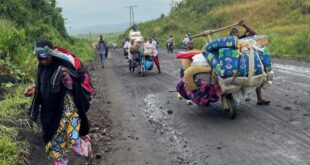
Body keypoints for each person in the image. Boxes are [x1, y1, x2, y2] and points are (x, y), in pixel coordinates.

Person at [24, 40, 93, 165]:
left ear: (52, 54)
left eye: (46, 58)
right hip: (49, 111)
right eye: (40, 59)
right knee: (55, 145)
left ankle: (86, 150)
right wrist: (34, 89)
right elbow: (43, 85)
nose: (43, 61)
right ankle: (61, 161)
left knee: (72, 140)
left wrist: (65, 77)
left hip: (66, 110)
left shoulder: (63, 65)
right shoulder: (42, 67)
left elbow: (74, 86)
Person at [230, 20, 270, 105]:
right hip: (237, 65)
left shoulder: (242, 39)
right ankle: (242, 96)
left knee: (257, 75)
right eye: (233, 33)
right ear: (230, 35)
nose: (235, 34)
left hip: (247, 62)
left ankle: (260, 99)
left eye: (236, 32)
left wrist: (244, 25)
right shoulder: (228, 43)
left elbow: (253, 33)